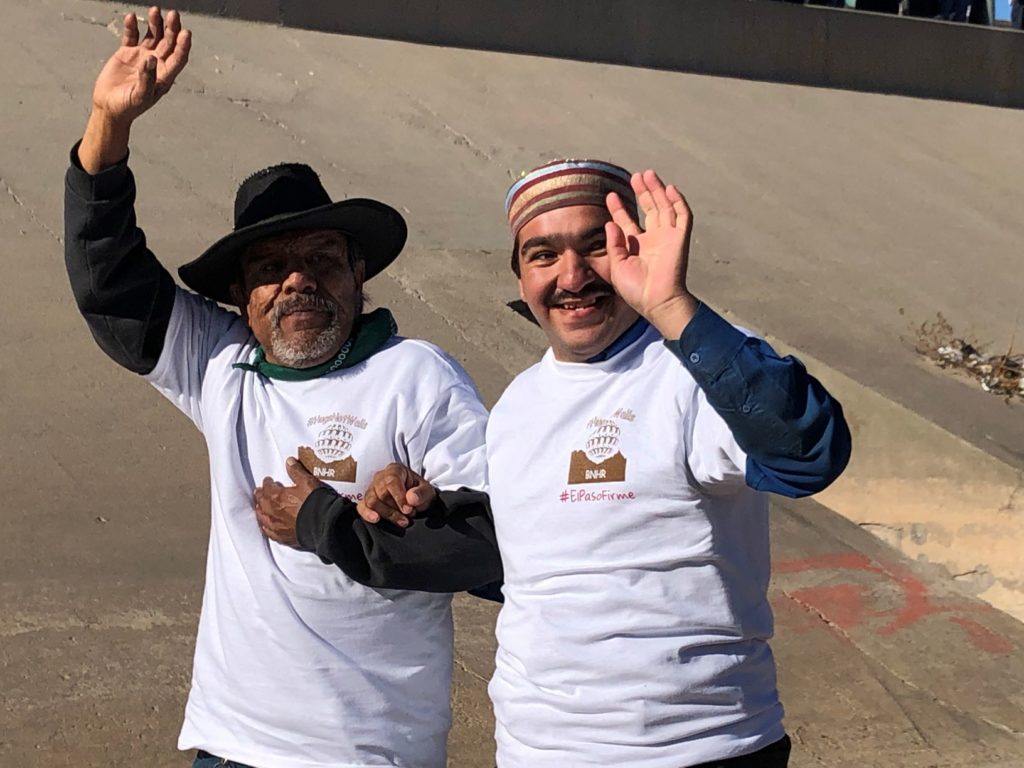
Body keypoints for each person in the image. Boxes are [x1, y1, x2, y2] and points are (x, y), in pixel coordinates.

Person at [261, 160, 852, 766]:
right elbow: (521, 572)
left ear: (636, 248)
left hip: (697, 749)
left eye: (596, 246)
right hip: (538, 750)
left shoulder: (695, 365)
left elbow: (808, 455)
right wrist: (420, 507)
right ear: (520, 277)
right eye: (543, 255)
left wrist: (674, 306)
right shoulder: (520, 405)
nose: (572, 275)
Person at [63, 8, 493, 768]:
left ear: (359, 274)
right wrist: (107, 127)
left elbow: (495, 550)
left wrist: (343, 520)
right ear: (240, 297)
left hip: (368, 756)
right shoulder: (221, 367)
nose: (297, 280)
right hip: (228, 749)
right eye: (269, 268)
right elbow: (113, 286)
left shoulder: (417, 378)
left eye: (322, 258)